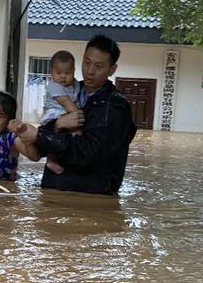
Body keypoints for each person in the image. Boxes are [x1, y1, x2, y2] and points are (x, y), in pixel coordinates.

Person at [11, 35, 136, 194]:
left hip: (90, 196)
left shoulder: (116, 106)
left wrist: (41, 136)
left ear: (112, 69)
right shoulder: (70, 89)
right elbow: (45, 139)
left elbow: (90, 153)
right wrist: (57, 124)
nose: (90, 71)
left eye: (98, 66)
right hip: (55, 190)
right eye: (87, 62)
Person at [29, 49, 80, 175]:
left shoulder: (76, 84)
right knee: (59, 134)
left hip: (65, 112)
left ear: (73, 71)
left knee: (67, 134)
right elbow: (66, 103)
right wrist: (80, 117)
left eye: (67, 73)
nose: (63, 76)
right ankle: (51, 160)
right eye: (58, 73)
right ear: (51, 72)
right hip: (54, 113)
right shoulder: (54, 85)